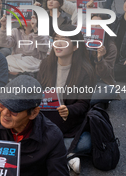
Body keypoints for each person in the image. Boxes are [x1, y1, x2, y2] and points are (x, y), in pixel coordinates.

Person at [37, 25, 95, 174]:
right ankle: (67, 155)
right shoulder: (45, 64)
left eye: (64, 40)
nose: (58, 43)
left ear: (75, 46)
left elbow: (83, 104)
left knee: (87, 142)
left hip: (68, 122)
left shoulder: (85, 71)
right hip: (45, 119)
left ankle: (53, 152)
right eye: (56, 39)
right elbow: (37, 92)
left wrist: (68, 110)